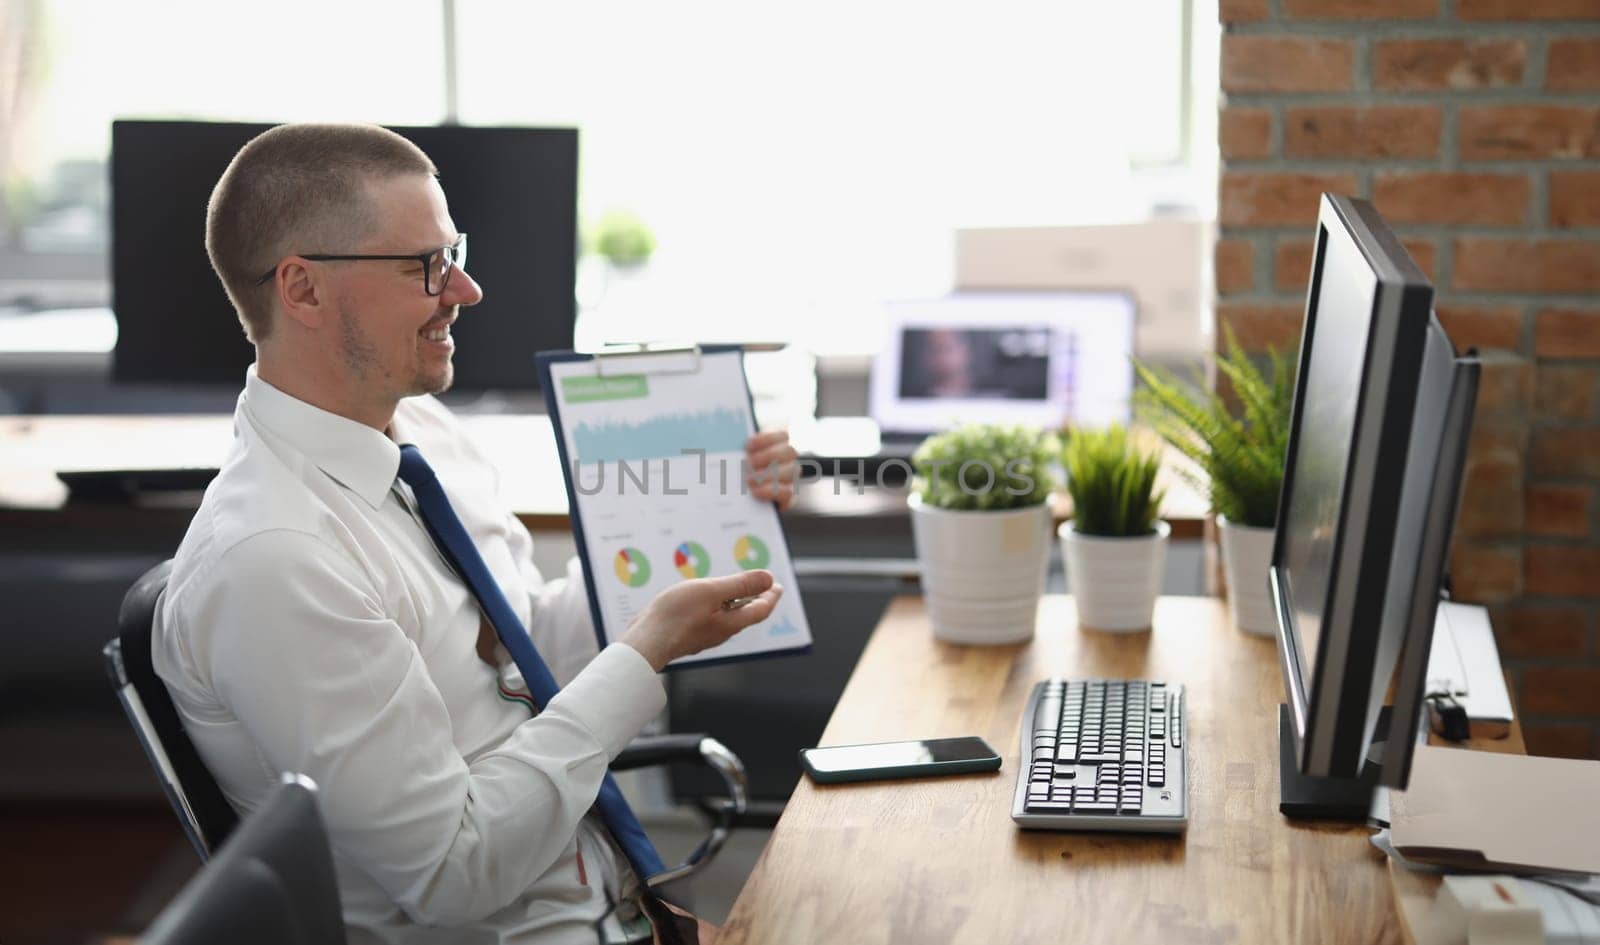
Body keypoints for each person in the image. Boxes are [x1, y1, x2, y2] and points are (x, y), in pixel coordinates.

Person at [151, 123, 797, 945]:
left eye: (454, 250)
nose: (465, 288)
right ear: (304, 290)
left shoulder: (423, 433)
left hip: (610, 898)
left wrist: (716, 515)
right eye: (426, 265)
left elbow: (525, 655)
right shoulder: (273, 560)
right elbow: (453, 872)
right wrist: (645, 653)